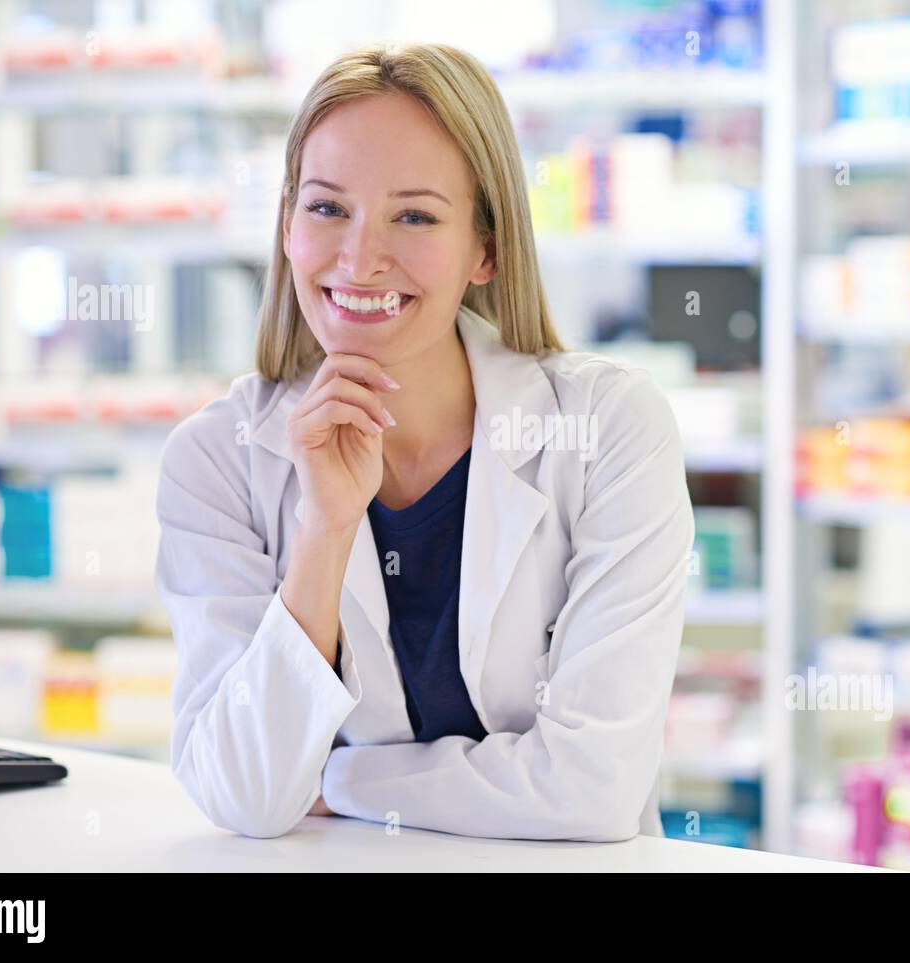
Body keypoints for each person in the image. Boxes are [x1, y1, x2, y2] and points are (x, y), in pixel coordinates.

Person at [155, 42, 694, 841]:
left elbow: (594, 789)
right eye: (328, 208)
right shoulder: (217, 461)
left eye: (414, 215)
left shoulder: (609, 432)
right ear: (287, 226)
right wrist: (325, 530)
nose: (360, 258)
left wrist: (337, 777)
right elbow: (246, 793)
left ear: (487, 248)